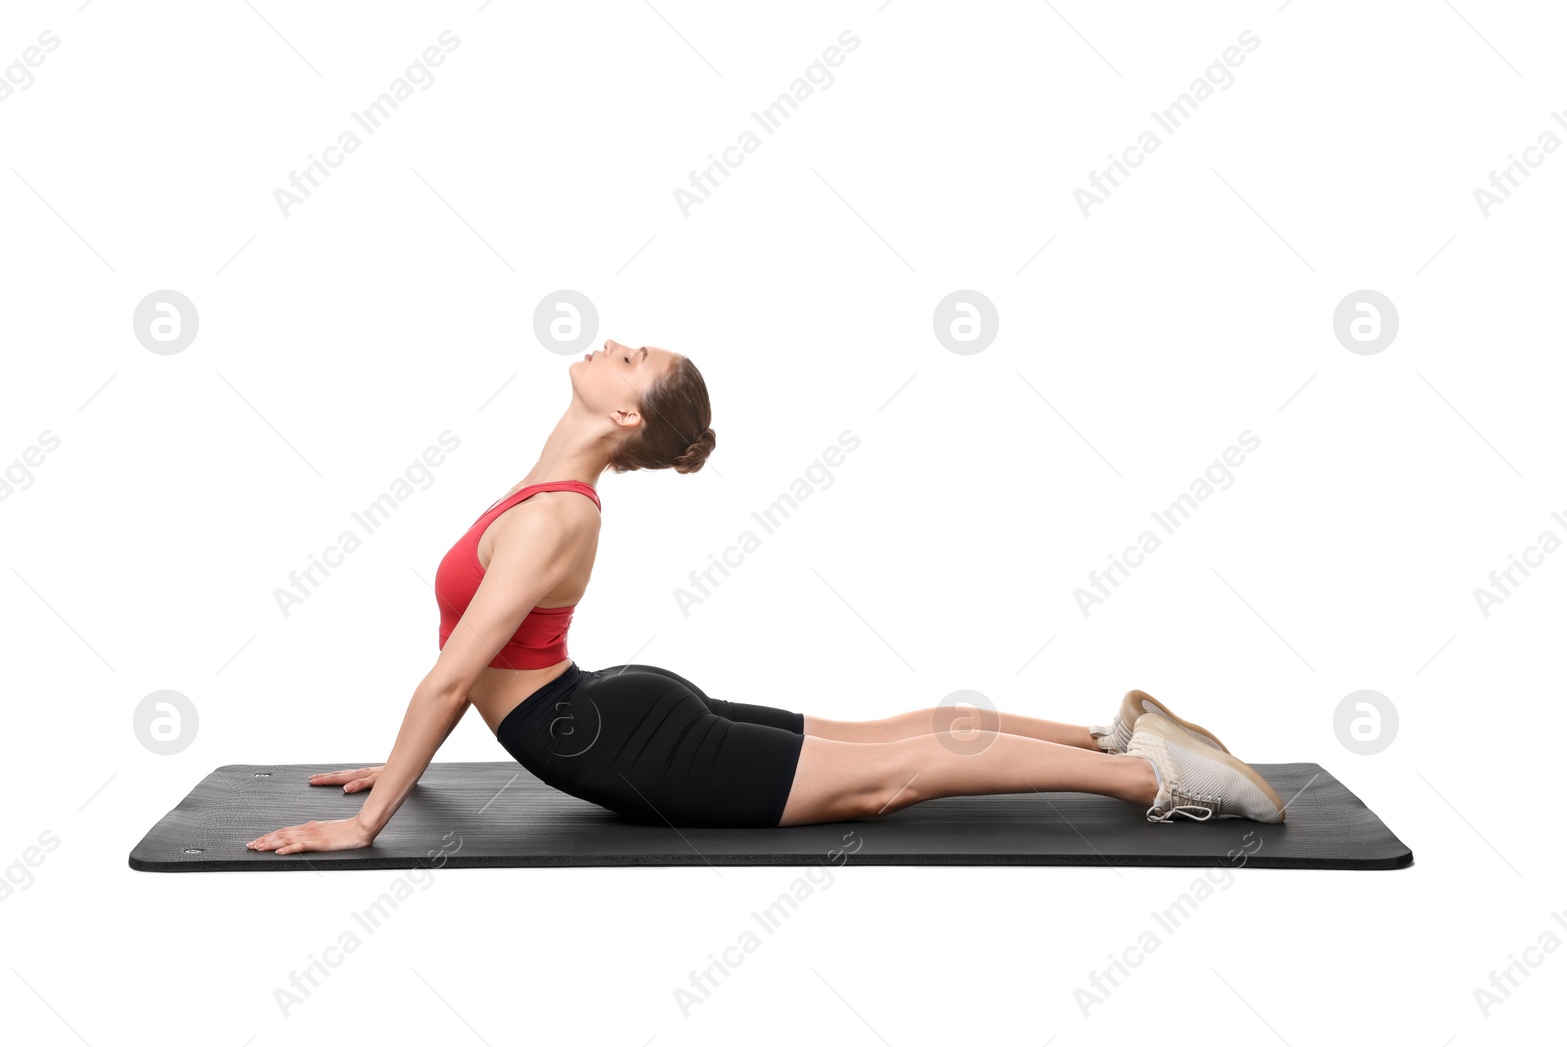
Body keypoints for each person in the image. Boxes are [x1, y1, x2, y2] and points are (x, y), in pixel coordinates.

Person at [247, 340, 1285, 855]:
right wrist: (394, 763)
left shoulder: (555, 513)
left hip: (607, 735)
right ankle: (1103, 736)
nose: (616, 342)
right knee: (880, 735)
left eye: (633, 355)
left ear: (617, 410)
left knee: (890, 777)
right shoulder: (545, 487)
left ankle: (1152, 777)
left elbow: (456, 673)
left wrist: (369, 822)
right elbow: (472, 664)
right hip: (607, 709)